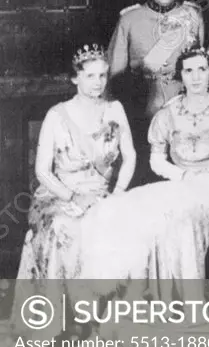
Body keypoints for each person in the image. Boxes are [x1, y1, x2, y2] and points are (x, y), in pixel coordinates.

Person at [77, 46, 209, 294]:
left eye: (202, 69)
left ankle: (192, 297)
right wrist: (184, 176)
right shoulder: (168, 113)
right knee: (127, 210)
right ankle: (140, 293)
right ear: (181, 75)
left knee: (183, 216)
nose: (196, 77)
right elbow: (157, 160)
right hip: (179, 183)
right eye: (189, 71)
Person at [16, 45, 136, 285]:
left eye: (102, 75)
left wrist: (118, 193)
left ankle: (109, 310)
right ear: (75, 78)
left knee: (126, 225)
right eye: (90, 76)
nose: (98, 82)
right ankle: (64, 309)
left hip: (103, 194)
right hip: (60, 197)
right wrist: (73, 197)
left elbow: (130, 156)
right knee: (66, 227)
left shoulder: (115, 109)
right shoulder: (57, 115)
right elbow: (42, 171)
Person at [107, 0, 203, 182]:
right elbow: (116, 74)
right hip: (142, 111)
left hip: (184, 110)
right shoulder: (129, 20)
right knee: (144, 178)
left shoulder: (193, 17)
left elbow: (206, 64)